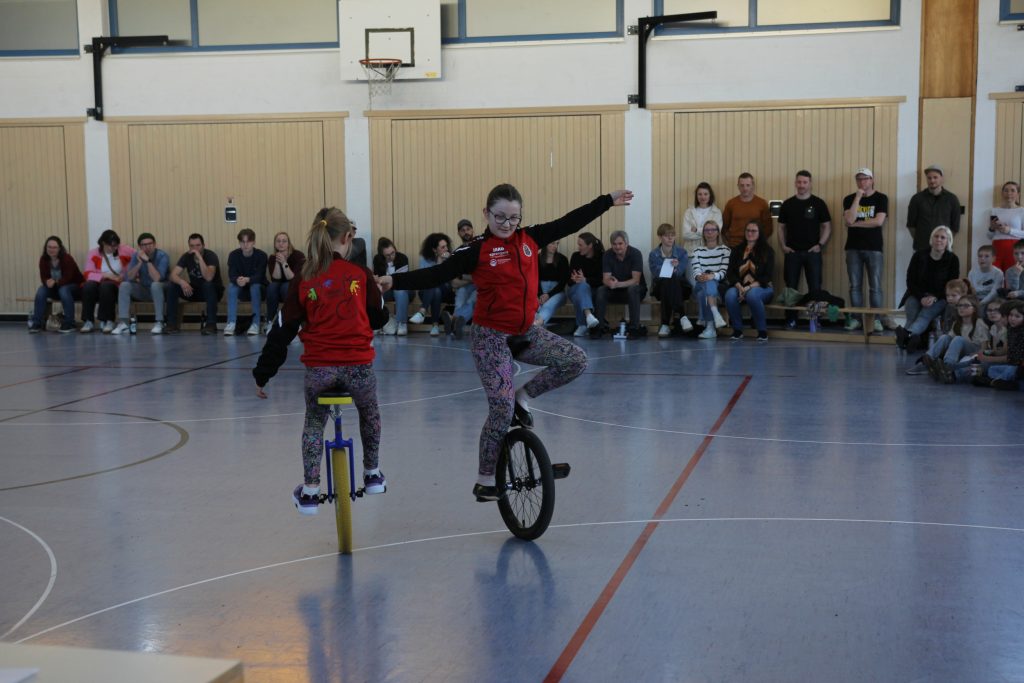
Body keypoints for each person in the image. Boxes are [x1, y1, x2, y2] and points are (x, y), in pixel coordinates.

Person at [379, 184, 633, 501]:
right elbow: (438, 275)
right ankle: (485, 478)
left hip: (525, 333)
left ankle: (523, 398)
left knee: (576, 360)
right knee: (500, 408)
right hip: (491, 338)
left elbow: (571, 221)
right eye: (500, 217)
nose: (508, 224)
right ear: (487, 214)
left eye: (514, 218)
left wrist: (607, 201)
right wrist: (395, 280)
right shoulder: (475, 249)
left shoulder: (530, 239)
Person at [253, 207, 389, 515]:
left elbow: (282, 329)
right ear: (348, 237)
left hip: (320, 369)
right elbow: (380, 317)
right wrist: (376, 293)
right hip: (358, 368)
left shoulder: (304, 276)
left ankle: (311, 491)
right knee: (369, 412)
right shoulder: (360, 274)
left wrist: (263, 373)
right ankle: (372, 474)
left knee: (315, 421)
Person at [778, 170, 831, 328]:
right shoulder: (787, 204)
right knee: (791, 287)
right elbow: (781, 228)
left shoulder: (819, 203)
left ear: (810, 184)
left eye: (805, 182)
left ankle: (814, 319)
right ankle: (791, 319)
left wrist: (820, 245)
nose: (801, 185)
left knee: (815, 287)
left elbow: (827, 226)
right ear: (795, 183)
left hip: (812, 253)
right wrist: (783, 246)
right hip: (792, 252)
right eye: (799, 182)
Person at [895, 226, 960, 352]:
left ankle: (906, 336)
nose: (939, 240)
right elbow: (910, 281)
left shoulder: (953, 259)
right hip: (916, 294)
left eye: (943, 237)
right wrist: (921, 297)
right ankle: (910, 340)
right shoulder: (919, 255)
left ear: (948, 241)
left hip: (940, 297)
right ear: (931, 239)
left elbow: (951, 285)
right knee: (912, 313)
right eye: (936, 236)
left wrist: (934, 298)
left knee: (925, 315)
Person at [843, 167, 890, 332]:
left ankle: (876, 320)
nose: (862, 182)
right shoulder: (849, 198)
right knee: (854, 286)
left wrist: (856, 224)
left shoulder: (881, 198)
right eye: (859, 179)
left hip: (874, 248)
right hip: (853, 248)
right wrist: (857, 197)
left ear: (872, 180)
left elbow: (878, 222)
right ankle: (856, 319)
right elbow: (849, 219)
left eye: (865, 179)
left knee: (875, 286)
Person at [917, 295, 988, 383]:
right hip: (960, 351)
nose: (961, 308)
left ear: (974, 309)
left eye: (966, 306)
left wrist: (974, 355)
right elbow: (949, 340)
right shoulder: (957, 323)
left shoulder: (979, 323)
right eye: (959, 305)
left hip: (974, 351)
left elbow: (984, 348)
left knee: (958, 339)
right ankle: (928, 358)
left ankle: (948, 366)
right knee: (945, 337)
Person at [724, 220, 775, 342]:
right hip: (740, 287)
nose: (750, 233)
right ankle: (737, 330)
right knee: (730, 295)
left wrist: (747, 288)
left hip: (762, 287)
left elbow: (767, 276)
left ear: (759, 233)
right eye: (748, 230)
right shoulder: (736, 250)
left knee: (752, 295)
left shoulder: (768, 251)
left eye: (754, 231)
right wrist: (739, 287)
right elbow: (730, 273)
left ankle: (762, 331)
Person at [111, 232, 170, 335]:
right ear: (140, 247)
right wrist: (139, 263)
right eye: (144, 245)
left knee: (155, 285)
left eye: (150, 244)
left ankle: (159, 322)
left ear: (155, 244)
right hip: (144, 289)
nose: (147, 247)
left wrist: (147, 261)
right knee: (124, 285)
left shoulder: (162, 256)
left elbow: (157, 278)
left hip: (161, 290)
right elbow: (129, 277)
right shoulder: (136, 255)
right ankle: (124, 323)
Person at [167, 233, 224, 335]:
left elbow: (208, 277)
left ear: (203, 245)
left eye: (198, 245)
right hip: (196, 291)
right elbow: (172, 275)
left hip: (214, 291)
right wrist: (182, 282)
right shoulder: (186, 256)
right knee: (172, 286)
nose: (195, 248)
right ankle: (172, 324)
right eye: (192, 246)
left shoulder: (211, 255)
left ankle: (211, 324)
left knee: (207, 285)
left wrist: (200, 258)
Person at [596, 230, 648, 338]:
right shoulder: (607, 255)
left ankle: (634, 328)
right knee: (601, 290)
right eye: (614, 244)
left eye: (620, 244)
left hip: (636, 291)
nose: (617, 247)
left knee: (632, 289)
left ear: (626, 243)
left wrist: (617, 284)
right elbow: (605, 279)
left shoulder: (635, 254)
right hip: (615, 290)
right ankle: (599, 327)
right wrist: (610, 283)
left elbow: (636, 280)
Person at [81, 229, 134, 334]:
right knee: (88, 286)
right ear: (103, 243)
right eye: (111, 246)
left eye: (116, 245)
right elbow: (88, 274)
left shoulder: (125, 250)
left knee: (106, 286)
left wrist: (125, 276)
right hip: (99, 281)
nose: (114, 248)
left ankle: (108, 321)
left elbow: (137, 257)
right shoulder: (93, 253)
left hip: (116, 284)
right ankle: (88, 321)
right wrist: (106, 275)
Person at [29, 235, 83, 334]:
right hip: (57, 288)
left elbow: (68, 278)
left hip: (74, 287)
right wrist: (46, 282)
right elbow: (43, 277)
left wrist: (56, 282)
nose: (51, 249)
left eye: (54, 247)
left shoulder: (67, 258)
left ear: (60, 248)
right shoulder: (43, 259)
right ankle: (37, 322)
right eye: (49, 247)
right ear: (46, 248)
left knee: (63, 289)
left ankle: (70, 323)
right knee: (41, 290)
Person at [647, 223, 691, 337]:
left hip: (681, 289)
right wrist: (672, 268)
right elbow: (657, 274)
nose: (670, 238)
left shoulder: (682, 252)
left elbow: (680, 272)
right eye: (667, 235)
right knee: (667, 280)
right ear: (660, 237)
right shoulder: (654, 254)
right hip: (660, 288)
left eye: (672, 235)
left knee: (671, 280)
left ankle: (665, 324)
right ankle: (682, 316)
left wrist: (675, 268)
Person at [689, 220, 731, 338]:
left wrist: (712, 276)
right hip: (700, 283)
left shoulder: (725, 251)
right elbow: (696, 271)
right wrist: (700, 276)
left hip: (719, 286)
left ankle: (710, 327)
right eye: (707, 230)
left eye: (713, 230)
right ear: (703, 233)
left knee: (704, 293)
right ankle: (715, 314)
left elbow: (723, 272)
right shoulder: (697, 251)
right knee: (706, 283)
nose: (710, 233)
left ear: (718, 232)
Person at [906, 165, 961, 253]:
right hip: (921, 247)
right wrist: (921, 238)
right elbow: (911, 225)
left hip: (944, 249)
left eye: (935, 177)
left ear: (941, 178)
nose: (932, 180)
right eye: (929, 178)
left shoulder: (952, 199)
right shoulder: (917, 199)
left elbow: (955, 226)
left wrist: (944, 241)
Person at [225, 228, 268, 336]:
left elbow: (260, 276)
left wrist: (248, 279)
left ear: (253, 242)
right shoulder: (233, 255)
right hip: (242, 289)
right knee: (231, 286)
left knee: (255, 286)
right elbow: (232, 275)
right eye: (242, 242)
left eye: (248, 241)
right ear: (239, 242)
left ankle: (256, 323)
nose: (245, 245)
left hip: (259, 289)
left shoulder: (261, 255)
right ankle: (231, 322)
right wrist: (237, 280)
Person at [409, 232, 452, 336]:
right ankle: (435, 325)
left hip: (445, 290)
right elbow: (425, 280)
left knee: (436, 287)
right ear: (434, 250)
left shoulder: (451, 259)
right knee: (435, 289)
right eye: (442, 247)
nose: (446, 249)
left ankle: (422, 312)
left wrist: (445, 261)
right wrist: (439, 261)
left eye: (446, 246)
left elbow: (449, 280)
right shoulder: (424, 260)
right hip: (426, 290)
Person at [975, 300, 1024, 391]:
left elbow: (1013, 358)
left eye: (1017, 316)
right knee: (993, 369)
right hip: (1014, 366)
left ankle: (996, 382)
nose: (1012, 319)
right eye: (1010, 316)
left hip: (1019, 367)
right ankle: (1002, 382)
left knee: (1012, 369)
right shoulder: (1011, 330)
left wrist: (987, 358)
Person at [442, 218, 478, 339]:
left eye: (468, 229)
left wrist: (464, 276)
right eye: (462, 230)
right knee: (461, 296)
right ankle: (456, 324)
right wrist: (471, 278)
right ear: (459, 233)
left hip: (481, 286)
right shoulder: (457, 253)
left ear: (473, 230)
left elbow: (481, 277)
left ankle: (453, 320)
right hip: (465, 285)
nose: (466, 232)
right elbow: (454, 283)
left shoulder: (480, 246)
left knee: (473, 299)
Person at [264, 231, 306, 334]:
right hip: (278, 289)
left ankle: (292, 321)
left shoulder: (298, 255)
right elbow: (275, 279)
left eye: (284, 241)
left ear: (289, 243)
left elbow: (293, 278)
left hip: (295, 288)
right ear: (275, 244)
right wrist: (278, 262)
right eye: (278, 241)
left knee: (286, 286)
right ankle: (270, 320)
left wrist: (284, 262)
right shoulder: (272, 258)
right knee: (271, 286)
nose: (281, 244)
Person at [372, 237, 411, 336]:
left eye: (393, 253)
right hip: (386, 290)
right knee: (373, 292)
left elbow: (403, 279)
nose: (391, 256)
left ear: (395, 249)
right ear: (382, 255)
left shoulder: (402, 258)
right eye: (388, 255)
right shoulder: (377, 260)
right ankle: (377, 323)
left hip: (403, 289)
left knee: (400, 290)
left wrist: (388, 278)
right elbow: (378, 280)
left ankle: (401, 323)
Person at [721, 173, 773, 248]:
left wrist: (759, 241)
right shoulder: (731, 203)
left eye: (748, 185)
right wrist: (729, 242)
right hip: (735, 246)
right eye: (742, 185)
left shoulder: (762, 203)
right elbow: (724, 226)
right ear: (738, 186)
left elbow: (768, 228)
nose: (745, 188)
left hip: (756, 246)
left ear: (753, 185)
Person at [567, 232, 603, 337]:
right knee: (582, 287)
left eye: (580, 245)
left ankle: (582, 325)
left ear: (590, 245)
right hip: (575, 289)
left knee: (582, 290)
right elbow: (569, 281)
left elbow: (602, 280)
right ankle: (588, 315)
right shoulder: (575, 256)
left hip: (593, 291)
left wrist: (585, 280)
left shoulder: (601, 257)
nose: (578, 247)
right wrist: (575, 280)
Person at [988, 181, 1024, 271]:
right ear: (1002, 193)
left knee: (1012, 277)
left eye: (1013, 190)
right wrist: (992, 228)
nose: (1009, 193)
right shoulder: (994, 211)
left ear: (1018, 194)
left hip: (1015, 249)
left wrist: (1009, 230)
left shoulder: (1022, 211)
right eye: (1006, 190)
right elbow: (989, 236)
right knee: (996, 276)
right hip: (996, 247)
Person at [534, 240, 569, 327]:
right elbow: (535, 278)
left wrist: (548, 295)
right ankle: (536, 326)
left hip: (557, 291)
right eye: (553, 243)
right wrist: (539, 294)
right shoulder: (537, 259)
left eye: (557, 243)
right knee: (536, 306)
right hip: (539, 290)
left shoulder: (562, 259)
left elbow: (563, 282)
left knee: (548, 305)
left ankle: (536, 324)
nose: (555, 246)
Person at [681, 182, 723, 253]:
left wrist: (696, 230)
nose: (703, 197)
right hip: (691, 252)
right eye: (700, 194)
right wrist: (707, 232)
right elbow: (685, 234)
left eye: (705, 194)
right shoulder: (689, 212)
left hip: (710, 251)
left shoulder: (716, 212)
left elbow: (716, 232)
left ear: (710, 195)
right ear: (696, 196)